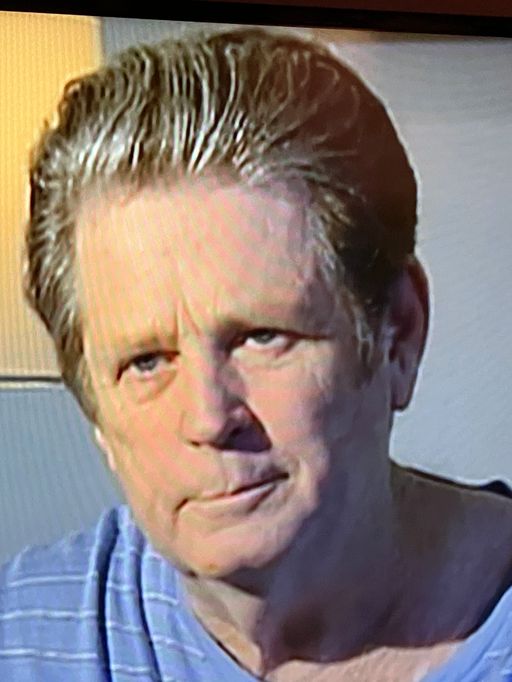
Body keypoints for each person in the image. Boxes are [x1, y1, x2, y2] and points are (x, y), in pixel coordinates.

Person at [1, 27, 512, 682]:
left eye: (261, 337)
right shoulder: (21, 639)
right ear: (95, 411)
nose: (209, 417)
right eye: (147, 362)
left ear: (397, 334)